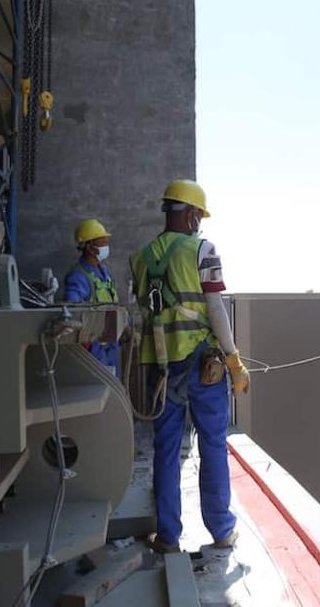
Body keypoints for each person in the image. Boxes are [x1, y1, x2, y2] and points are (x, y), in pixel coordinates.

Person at [130, 179, 250, 553]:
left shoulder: (141, 258)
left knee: (166, 450)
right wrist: (233, 361)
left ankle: (167, 537)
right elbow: (215, 308)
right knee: (212, 444)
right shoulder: (202, 250)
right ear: (194, 214)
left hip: (160, 366)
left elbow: (148, 312)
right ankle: (221, 530)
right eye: (199, 215)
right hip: (201, 364)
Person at [64, 218, 120, 377]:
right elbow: (73, 311)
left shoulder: (103, 272)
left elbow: (112, 303)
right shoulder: (78, 277)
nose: (106, 245)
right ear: (89, 247)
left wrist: (126, 327)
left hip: (110, 348)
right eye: (102, 242)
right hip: (94, 351)